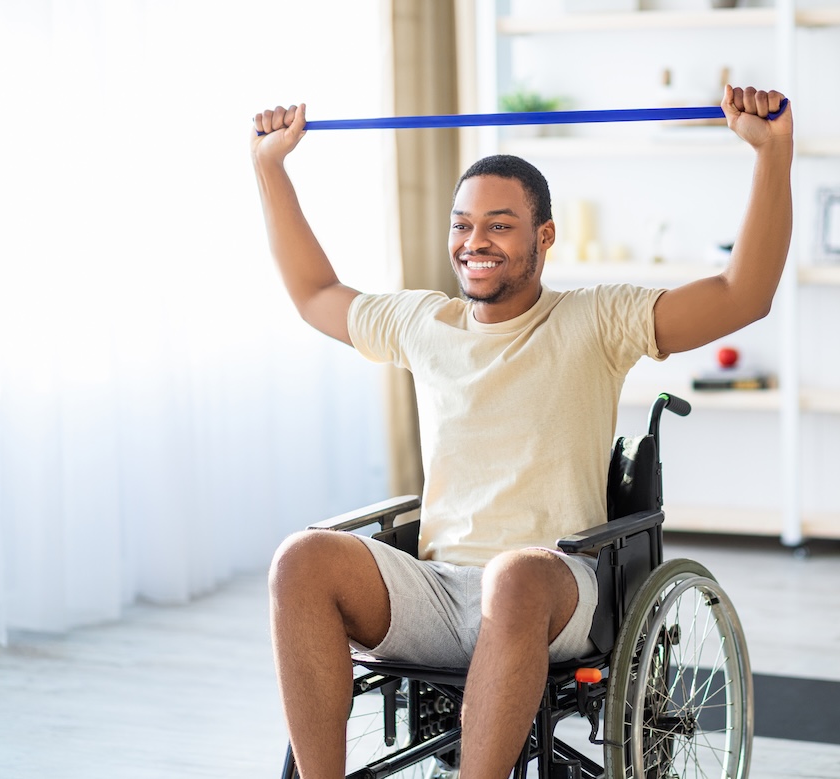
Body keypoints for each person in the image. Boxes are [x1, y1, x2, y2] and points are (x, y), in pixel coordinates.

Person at [251, 86, 792, 779]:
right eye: (462, 224)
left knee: (513, 573)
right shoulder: (423, 323)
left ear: (544, 237)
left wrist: (773, 155)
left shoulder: (595, 320)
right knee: (300, 558)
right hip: (440, 588)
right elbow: (313, 294)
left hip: (555, 584)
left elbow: (743, 295)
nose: (474, 242)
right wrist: (271, 168)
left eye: (499, 225)